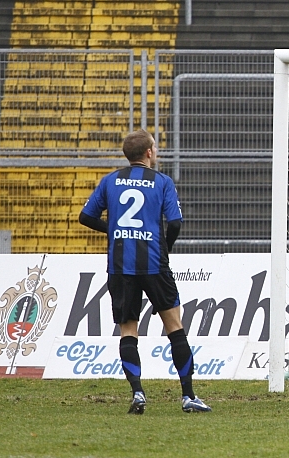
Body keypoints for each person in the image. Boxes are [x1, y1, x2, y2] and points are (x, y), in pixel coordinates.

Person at [78, 129, 211, 415]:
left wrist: (113, 230)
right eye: (155, 147)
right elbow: (174, 223)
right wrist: (165, 247)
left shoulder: (110, 180)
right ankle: (188, 396)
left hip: (120, 266)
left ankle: (138, 393)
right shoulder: (161, 181)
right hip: (154, 263)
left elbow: (85, 216)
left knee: (128, 329)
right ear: (149, 152)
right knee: (174, 325)